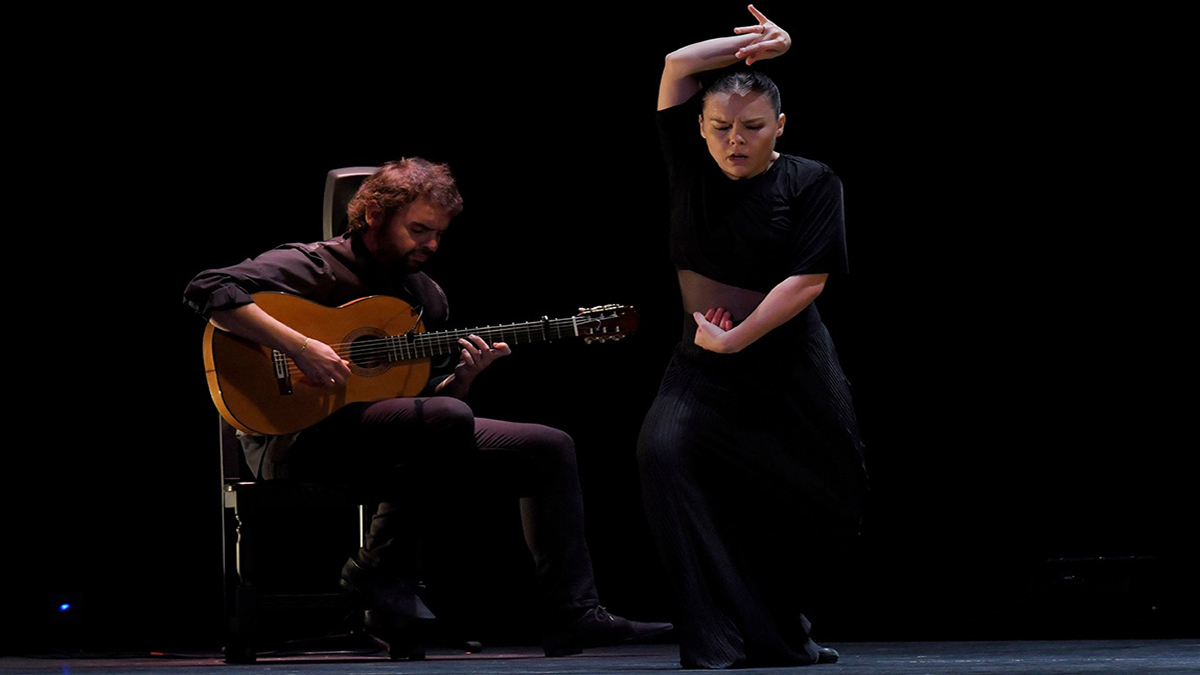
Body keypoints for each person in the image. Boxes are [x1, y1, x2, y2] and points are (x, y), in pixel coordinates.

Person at [184, 158, 671, 657]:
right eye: (418, 229)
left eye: (439, 234)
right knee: (446, 422)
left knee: (548, 446)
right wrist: (301, 346)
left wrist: (462, 379)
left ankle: (573, 614)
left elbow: (425, 409)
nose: (432, 245)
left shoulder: (424, 299)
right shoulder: (314, 266)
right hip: (296, 438)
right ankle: (376, 571)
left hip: (386, 441)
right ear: (374, 213)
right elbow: (207, 288)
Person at [637, 5, 868, 669]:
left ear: (781, 128)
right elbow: (679, 65)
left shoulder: (812, 180)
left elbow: (808, 280)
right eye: (721, 127)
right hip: (700, 363)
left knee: (802, 494)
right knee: (664, 453)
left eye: (753, 127)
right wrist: (767, 47)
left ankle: (779, 632)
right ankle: (718, 639)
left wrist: (739, 341)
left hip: (788, 363)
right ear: (702, 128)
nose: (735, 139)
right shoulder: (690, 163)